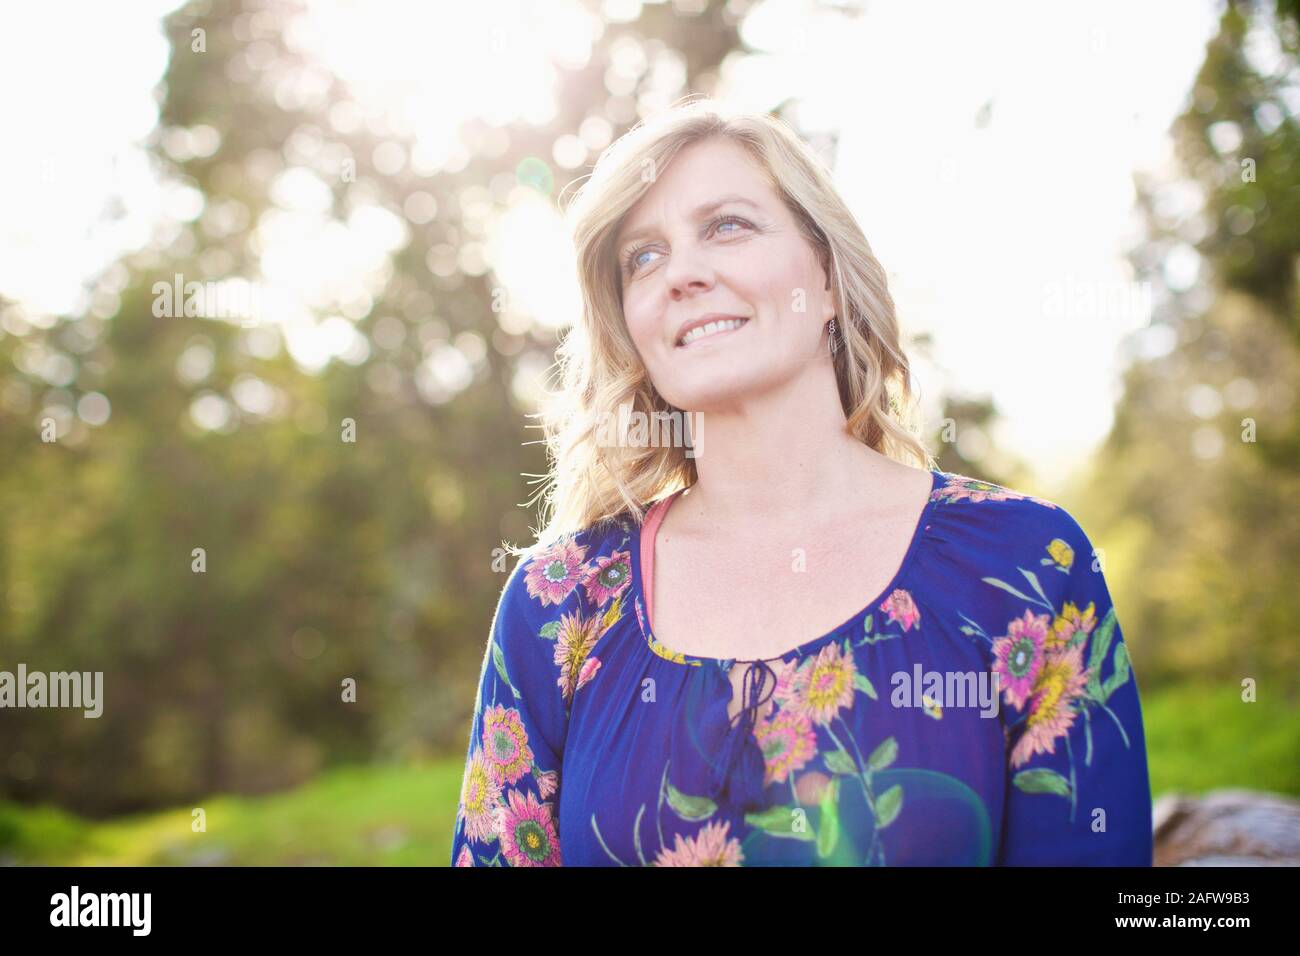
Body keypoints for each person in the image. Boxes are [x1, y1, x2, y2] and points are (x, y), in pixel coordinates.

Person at [451, 99, 1152, 866]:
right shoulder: (560, 599)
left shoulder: (1024, 567)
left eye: (727, 225)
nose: (681, 272)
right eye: (642, 257)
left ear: (826, 277)